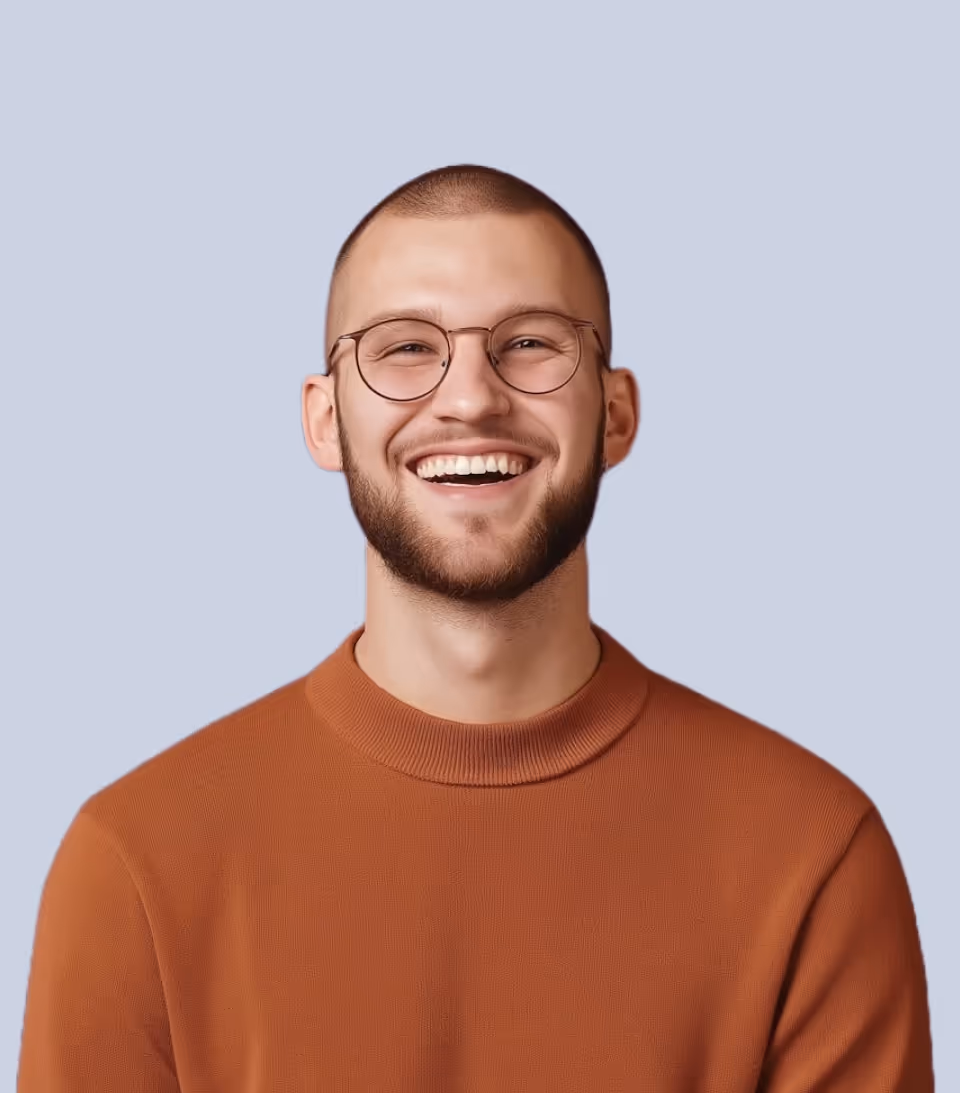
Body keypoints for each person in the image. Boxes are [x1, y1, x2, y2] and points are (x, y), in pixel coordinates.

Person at [17, 164, 935, 1091]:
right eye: (406, 348)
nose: (469, 398)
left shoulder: (812, 852)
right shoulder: (135, 865)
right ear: (326, 420)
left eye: (530, 342)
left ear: (616, 415)